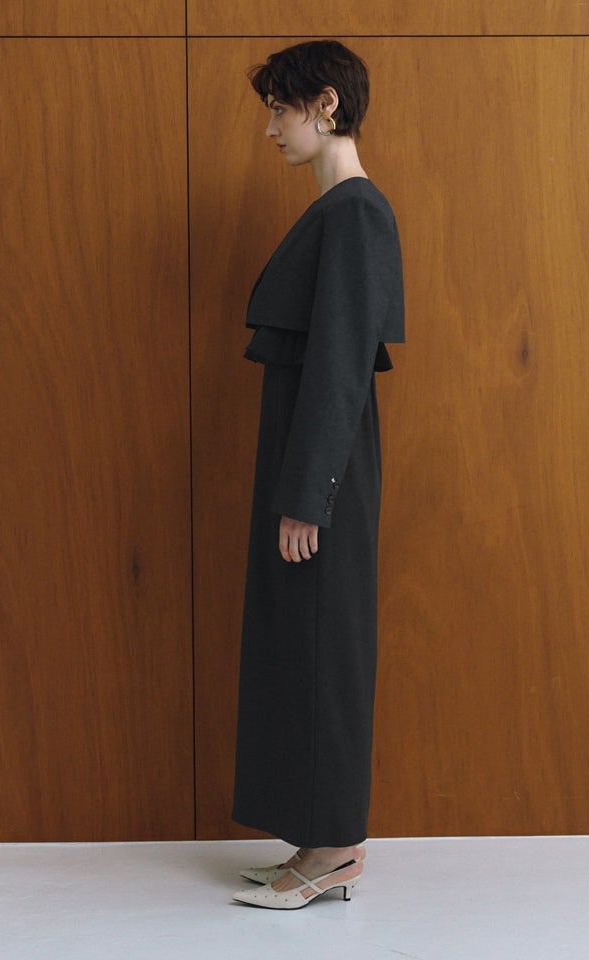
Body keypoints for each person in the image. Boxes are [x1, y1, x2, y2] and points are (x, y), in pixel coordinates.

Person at [231, 39, 405, 910]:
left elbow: (340, 366)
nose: (271, 129)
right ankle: (317, 838)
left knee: (325, 649)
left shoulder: (357, 213)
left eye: (280, 108)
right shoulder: (338, 212)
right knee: (302, 643)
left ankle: (335, 848)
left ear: (326, 104)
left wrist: (308, 498)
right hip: (309, 465)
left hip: (321, 476)